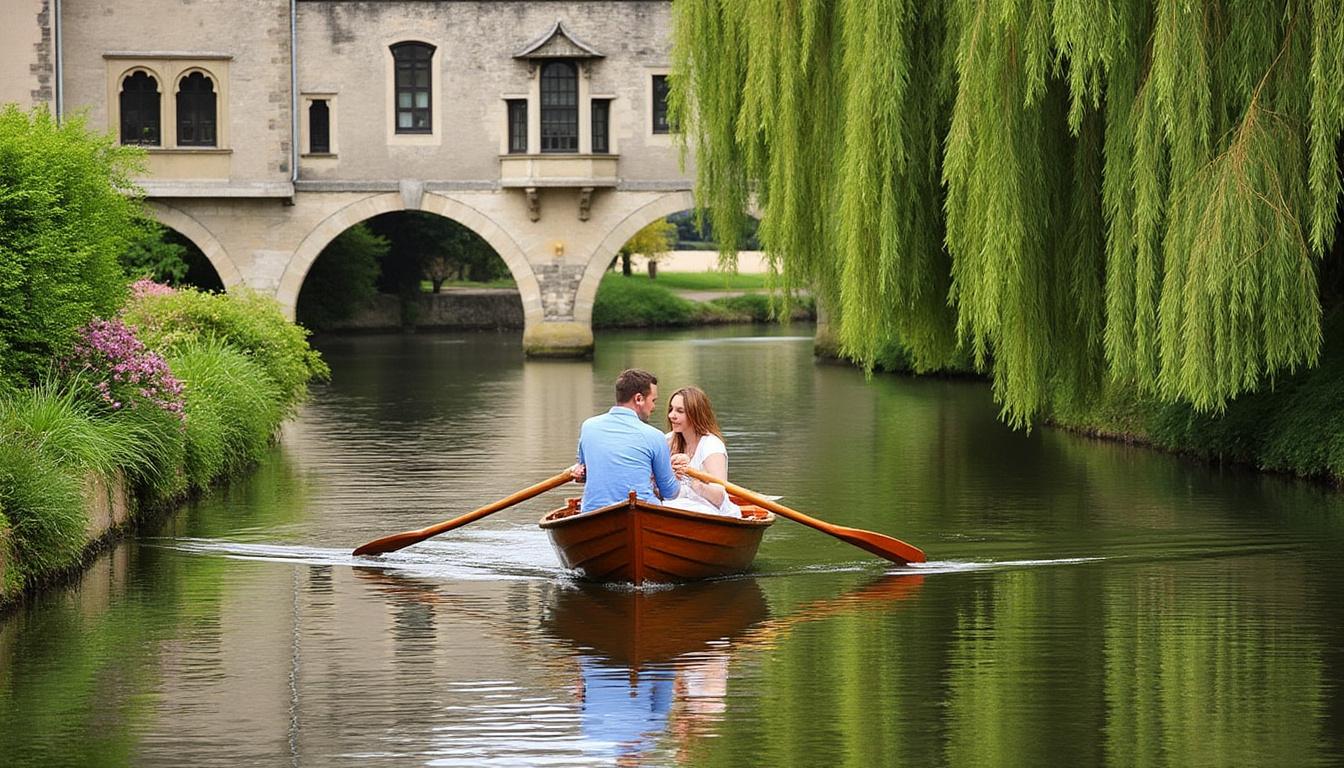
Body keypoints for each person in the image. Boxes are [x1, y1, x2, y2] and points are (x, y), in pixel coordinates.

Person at [572, 368, 681, 513]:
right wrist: (677, 475)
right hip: (643, 512)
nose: (654, 407)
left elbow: (584, 472)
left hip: (594, 512)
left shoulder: (588, 427)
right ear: (639, 399)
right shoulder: (655, 436)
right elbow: (670, 492)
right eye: (653, 400)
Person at [663, 386, 741, 517]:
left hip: (706, 511)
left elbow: (718, 498)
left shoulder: (712, 446)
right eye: (671, 409)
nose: (671, 415)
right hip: (672, 507)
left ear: (695, 414)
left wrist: (693, 480)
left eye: (680, 411)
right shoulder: (667, 441)